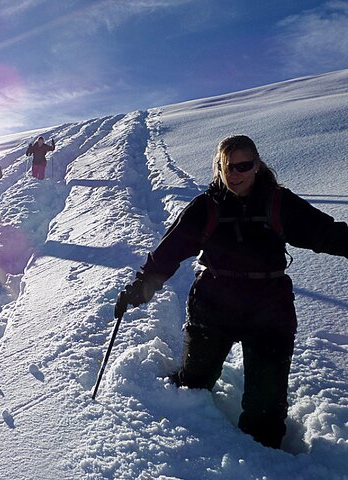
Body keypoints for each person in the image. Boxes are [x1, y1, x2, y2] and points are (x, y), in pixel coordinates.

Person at [115, 135, 348, 449]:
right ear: (219, 168)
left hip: (269, 312)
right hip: (213, 307)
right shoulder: (205, 207)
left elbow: (325, 234)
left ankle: (264, 463)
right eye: (229, 167)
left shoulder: (278, 202)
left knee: (265, 411)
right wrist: (139, 290)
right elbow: (168, 253)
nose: (236, 173)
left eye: (244, 165)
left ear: (256, 165)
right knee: (192, 386)